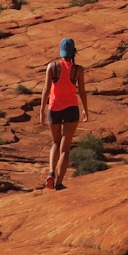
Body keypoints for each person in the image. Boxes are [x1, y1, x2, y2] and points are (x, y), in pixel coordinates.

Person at [39, 37, 89, 190]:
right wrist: (86, 110)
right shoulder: (78, 70)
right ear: (73, 51)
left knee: (55, 142)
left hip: (54, 110)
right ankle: (59, 183)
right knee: (65, 149)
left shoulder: (52, 67)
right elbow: (82, 92)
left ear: (61, 51)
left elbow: (46, 90)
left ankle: (51, 173)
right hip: (71, 110)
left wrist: (41, 110)